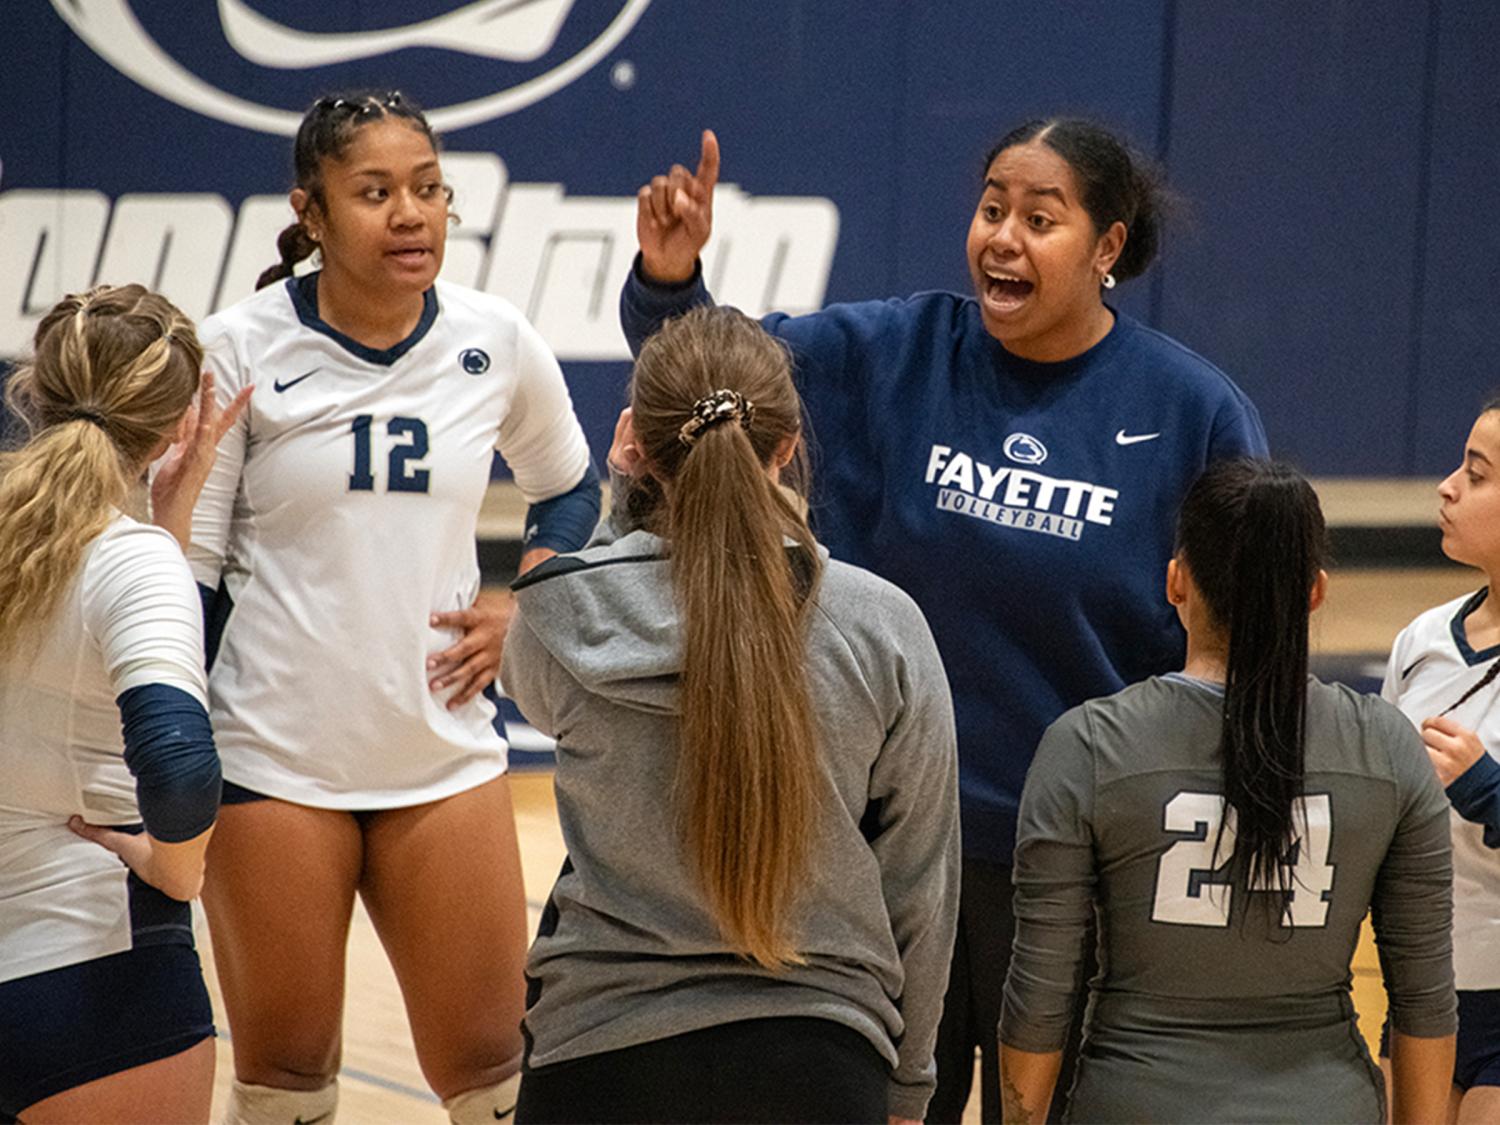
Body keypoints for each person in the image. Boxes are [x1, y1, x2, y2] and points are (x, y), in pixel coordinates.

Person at [620, 116, 1268, 1120]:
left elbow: (1238, 648)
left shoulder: (1194, 412)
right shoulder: (896, 349)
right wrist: (670, 281)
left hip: (1075, 864)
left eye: (1039, 218)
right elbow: (715, 394)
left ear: (1107, 247)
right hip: (873, 847)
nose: (1002, 237)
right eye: (991, 208)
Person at [187, 90, 600, 1125]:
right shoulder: (235, 348)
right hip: (273, 758)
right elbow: (185, 573)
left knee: (494, 1069)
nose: (410, 214)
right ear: (311, 213)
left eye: (427, 190)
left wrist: (529, 603)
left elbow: (571, 487)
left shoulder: (493, 338)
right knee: (284, 1075)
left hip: (439, 753)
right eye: (374, 193)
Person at [501, 306, 959, 1124]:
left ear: (636, 445)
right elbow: (921, 886)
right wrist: (911, 1081)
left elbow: (597, 617)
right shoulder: (885, 627)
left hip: (597, 1061)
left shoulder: (557, 618)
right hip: (823, 1061)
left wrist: (618, 509)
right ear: (787, 448)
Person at [998, 458, 1457, 1124]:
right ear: (1315, 593)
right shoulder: (1388, 747)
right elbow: (1424, 998)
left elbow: (1038, 998)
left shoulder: (1088, 746)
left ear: (1176, 581)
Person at [0, 285, 248, 1122]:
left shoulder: (88, 549)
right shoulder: (135, 563)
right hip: (96, 980)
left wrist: (160, 523)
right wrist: (175, 868)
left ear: (36, 390)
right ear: (179, 425)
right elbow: (179, 767)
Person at [1381, 398, 1500, 1123]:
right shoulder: (1423, 637)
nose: (1447, 486)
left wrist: (1490, 788)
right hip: (1423, 989)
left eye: (1478, 474)